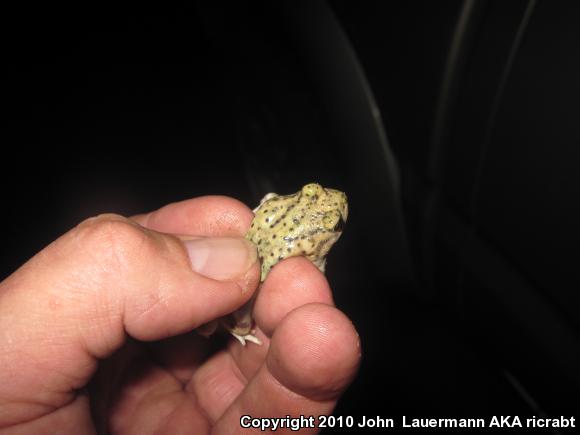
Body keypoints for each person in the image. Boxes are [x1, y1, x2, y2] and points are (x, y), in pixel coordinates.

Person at [0, 195, 360, 433]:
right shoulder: (309, 251)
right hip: (236, 294)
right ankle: (237, 328)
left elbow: (267, 202)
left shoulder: (294, 230)